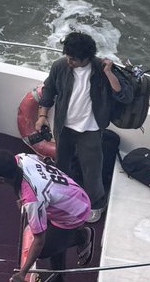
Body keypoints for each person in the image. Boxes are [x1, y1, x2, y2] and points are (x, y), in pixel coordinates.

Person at [33, 31, 132, 221]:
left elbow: (124, 96)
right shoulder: (60, 66)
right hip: (64, 126)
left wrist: (109, 73)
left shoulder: (101, 70)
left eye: (73, 59)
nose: (69, 62)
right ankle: (63, 195)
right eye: (68, 57)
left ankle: (96, 203)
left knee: (92, 169)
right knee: (62, 162)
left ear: (87, 58)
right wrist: (42, 116)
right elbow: (49, 90)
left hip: (91, 128)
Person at [0, 148, 93, 282]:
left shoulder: (32, 200)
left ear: (1, 179)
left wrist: (22, 273)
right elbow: (41, 162)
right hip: (70, 192)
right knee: (55, 242)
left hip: (73, 212)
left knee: (45, 250)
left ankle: (82, 236)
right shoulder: (21, 158)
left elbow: (39, 240)